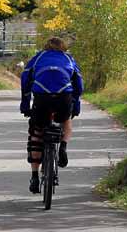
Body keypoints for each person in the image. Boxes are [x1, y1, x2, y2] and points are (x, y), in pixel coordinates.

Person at [20, 37, 83, 194]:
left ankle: (34, 176)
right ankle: (63, 146)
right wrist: (76, 105)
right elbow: (79, 83)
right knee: (66, 120)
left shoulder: (39, 57)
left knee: (37, 131)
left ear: (46, 47)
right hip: (63, 97)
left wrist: (25, 103)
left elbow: (25, 79)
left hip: (42, 97)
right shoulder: (69, 58)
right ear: (63, 47)